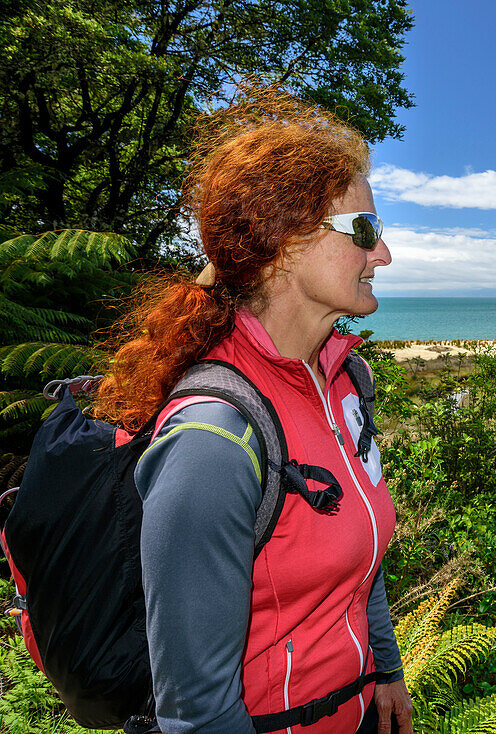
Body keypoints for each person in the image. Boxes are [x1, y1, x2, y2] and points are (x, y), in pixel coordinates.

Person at [94, 92, 412, 734]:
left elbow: (360, 550)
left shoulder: (345, 380)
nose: (384, 256)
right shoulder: (214, 439)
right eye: (366, 232)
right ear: (287, 246)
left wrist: (384, 667)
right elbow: (198, 712)